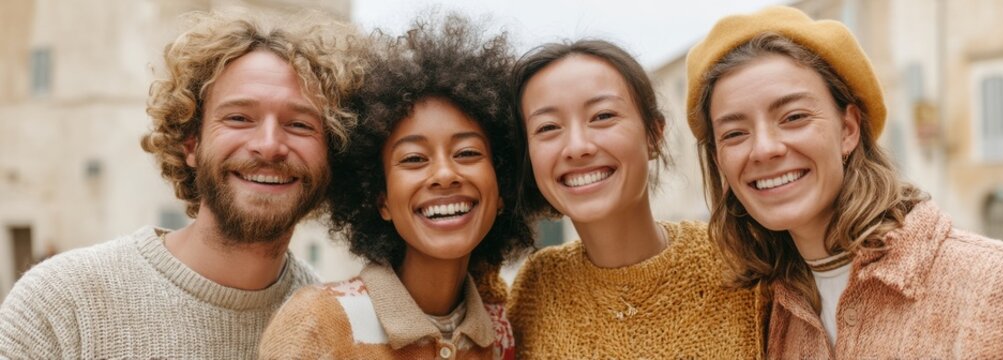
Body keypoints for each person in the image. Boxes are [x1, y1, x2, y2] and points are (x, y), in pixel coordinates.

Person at [686, 5, 1003, 358]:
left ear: (848, 129)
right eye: (734, 134)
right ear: (719, 161)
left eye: (794, 117)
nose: (765, 149)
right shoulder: (762, 314)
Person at [0, 11, 364, 359]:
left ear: (331, 154)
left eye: (300, 124)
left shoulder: (338, 330)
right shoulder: (61, 304)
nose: (269, 145)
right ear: (191, 143)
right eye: (239, 118)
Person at [258, 13, 530, 359]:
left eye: (467, 152)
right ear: (380, 197)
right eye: (415, 159)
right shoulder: (320, 322)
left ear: (502, 185)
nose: (445, 174)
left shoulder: (502, 334)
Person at [506, 40, 766, 358]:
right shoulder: (536, 288)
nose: (577, 146)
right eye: (548, 127)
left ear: (654, 134)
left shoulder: (744, 264)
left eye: (602, 116)